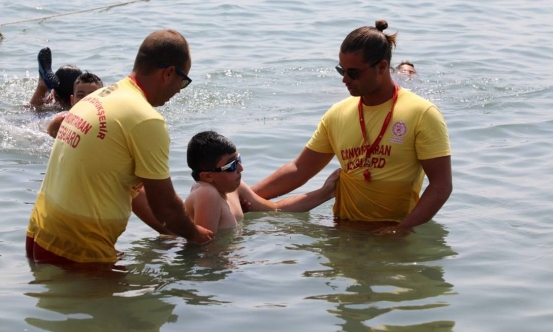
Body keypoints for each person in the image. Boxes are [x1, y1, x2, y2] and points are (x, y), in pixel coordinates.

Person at [26, 29, 214, 265]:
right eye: (183, 81)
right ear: (168, 73)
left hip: (40, 235)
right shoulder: (146, 119)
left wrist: (175, 234)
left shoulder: (101, 96)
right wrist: (198, 236)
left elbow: (134, 191)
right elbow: (165, 206)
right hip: (78, 248)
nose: (179, 90)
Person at [252, 20, 452, 236]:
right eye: (342, 71)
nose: (345, 80)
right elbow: (299, 170)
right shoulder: (337, 114)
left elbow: (441, 185)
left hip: (394, 236)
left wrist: (400, 230)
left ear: (382, 67)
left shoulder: (422, 113)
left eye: (354, 73)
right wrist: (244, 195)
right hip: (342, 230)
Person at [185, 131, 340, 233]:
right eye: (231, 165)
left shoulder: (233, 189)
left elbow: (276, 210)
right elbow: (203, 250)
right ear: (208, 176)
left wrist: (325, 192)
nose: (241, 168)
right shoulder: (207, 193)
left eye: (238, 159)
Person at [46, 72, 104, 138]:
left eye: (92, 95)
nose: (86, 99)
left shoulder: (107, 123)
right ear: (72, 100)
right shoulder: (61, 122)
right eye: (80, 95)